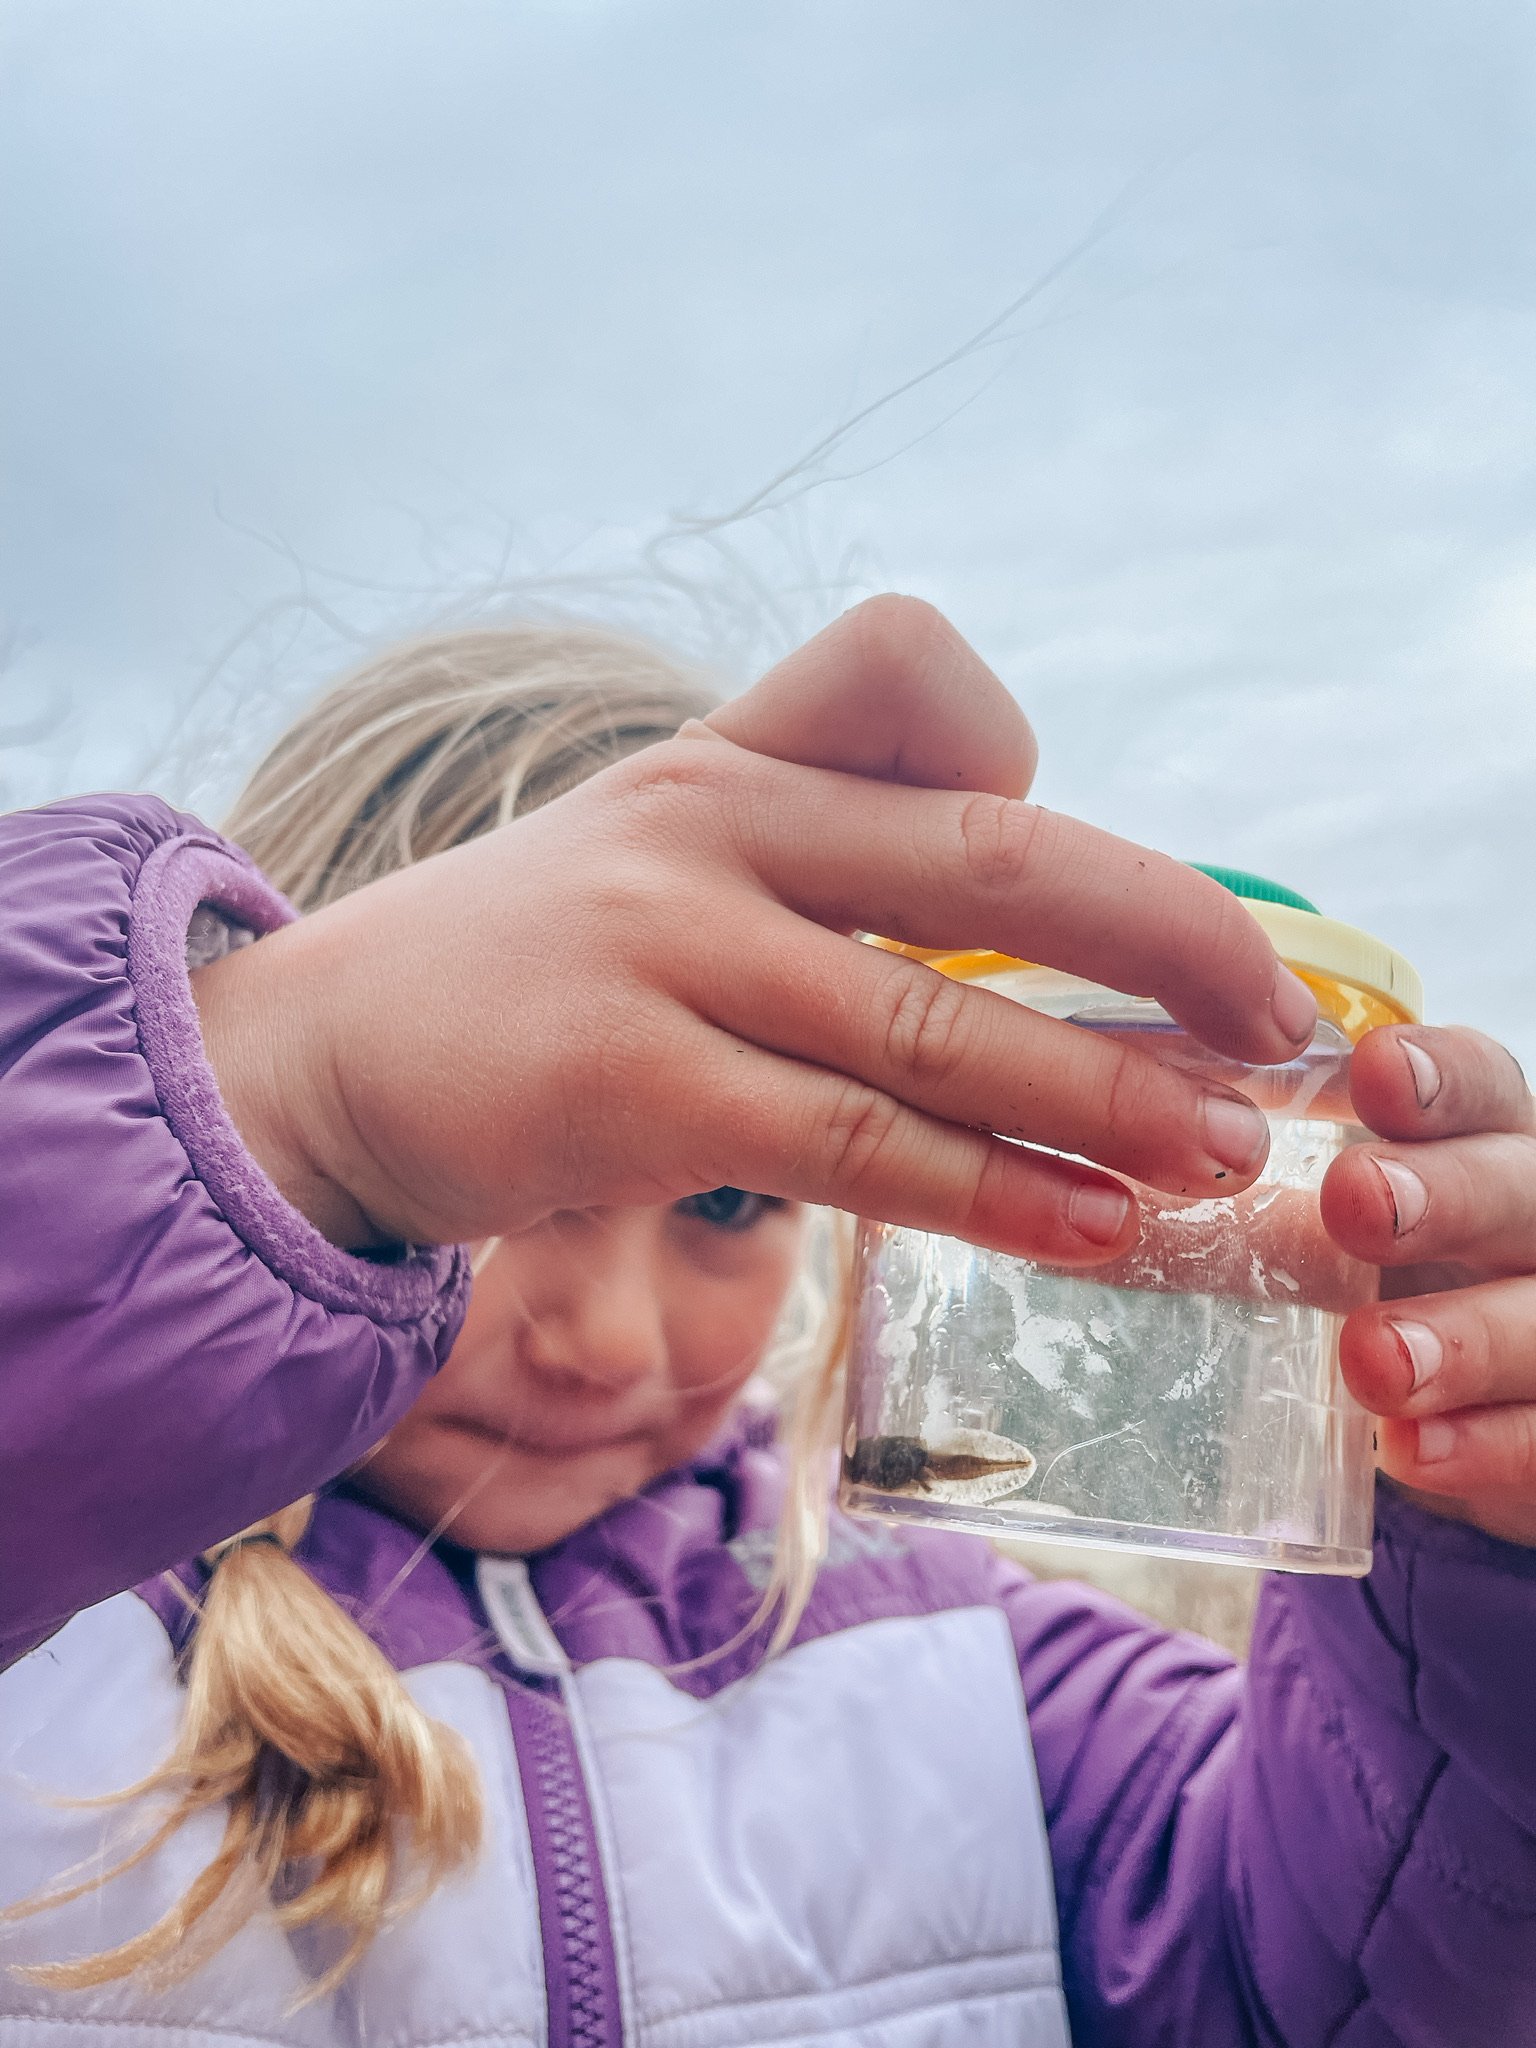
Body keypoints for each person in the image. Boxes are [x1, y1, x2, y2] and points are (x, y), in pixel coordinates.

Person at [1, 598, 1533, 2048]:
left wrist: (1489, 1568)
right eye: (524, 1194)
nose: (607, 1343)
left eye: (730, 1206)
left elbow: (1352, 1986)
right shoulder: (58, 1645)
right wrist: (289, 1089)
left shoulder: (965, 1662)